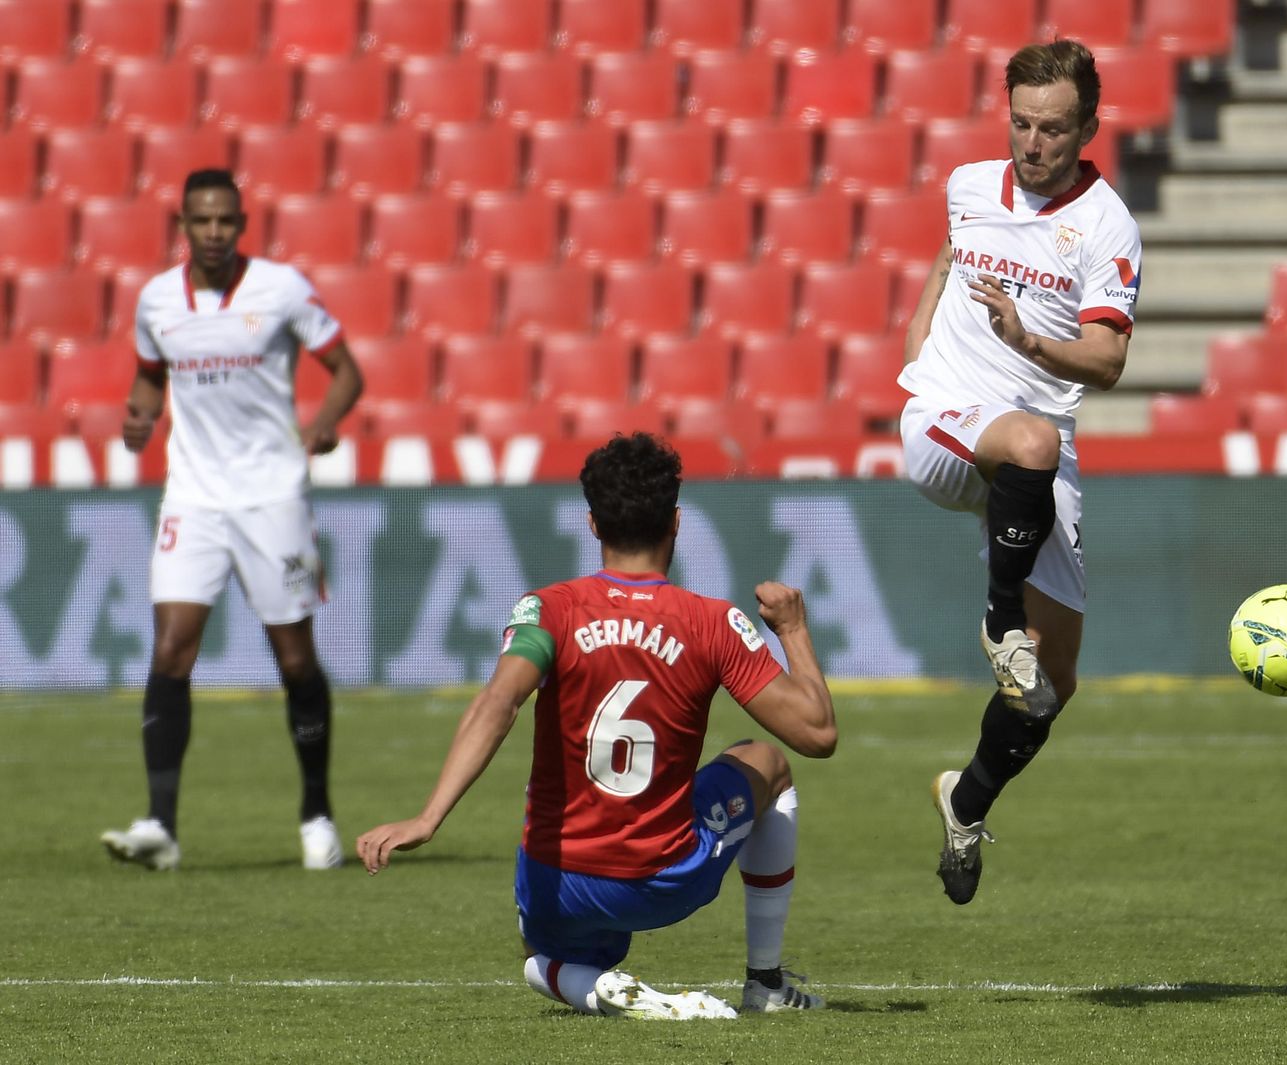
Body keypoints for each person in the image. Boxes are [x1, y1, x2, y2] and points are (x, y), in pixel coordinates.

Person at [356, 434, 838, 1020]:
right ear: (677, 522)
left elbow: (498, 703)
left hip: (561, 885)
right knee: (768, 761)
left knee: (538, 957)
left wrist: (429, 817)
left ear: (591, 523)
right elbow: (817, 735)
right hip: (666, 879)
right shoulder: (713, 622)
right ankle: (764, 981)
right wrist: (791, 629)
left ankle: (590, 985)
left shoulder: (548, 610)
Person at [898, 40, 1141, 905]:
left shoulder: (1107, 225)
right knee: (1033, 443)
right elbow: (949, 255)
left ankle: (965, 802)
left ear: (1088, 129)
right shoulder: (969, 183)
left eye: (1052, 129)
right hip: (947, 418)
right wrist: (917, 343)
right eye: (1022, 123)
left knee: (1052, 687)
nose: (1032, 143)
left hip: (1039, 441)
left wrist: (1029, 341)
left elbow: (1108, 359)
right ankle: (998, 625)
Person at [100, 168, 364, 872]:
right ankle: (160, 824)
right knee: (170, 650)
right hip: (192, 496)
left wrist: (325, 425)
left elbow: (346, 370)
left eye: (225, 221)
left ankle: (316, 813)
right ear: (182, 225)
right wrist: (140, 415)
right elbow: (150, 374)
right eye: (200, 221)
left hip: (272, 496)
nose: (213, 232)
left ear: (242, 225)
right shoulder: (158, 299)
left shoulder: (281, 288)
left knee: (296, 658)